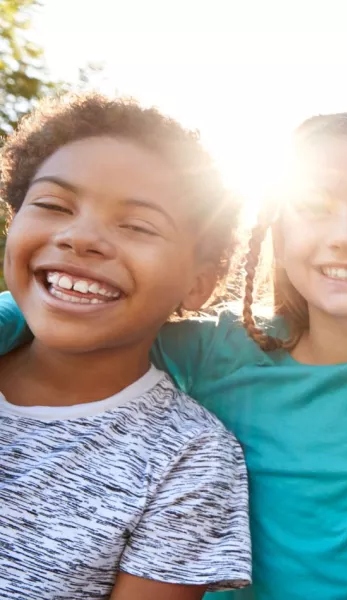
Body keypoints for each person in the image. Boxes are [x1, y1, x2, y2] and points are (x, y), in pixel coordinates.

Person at [0, 93, 250, 599]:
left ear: (198, 281)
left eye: (137, 226)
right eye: (52, 204)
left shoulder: (191, 459)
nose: (80, 236)